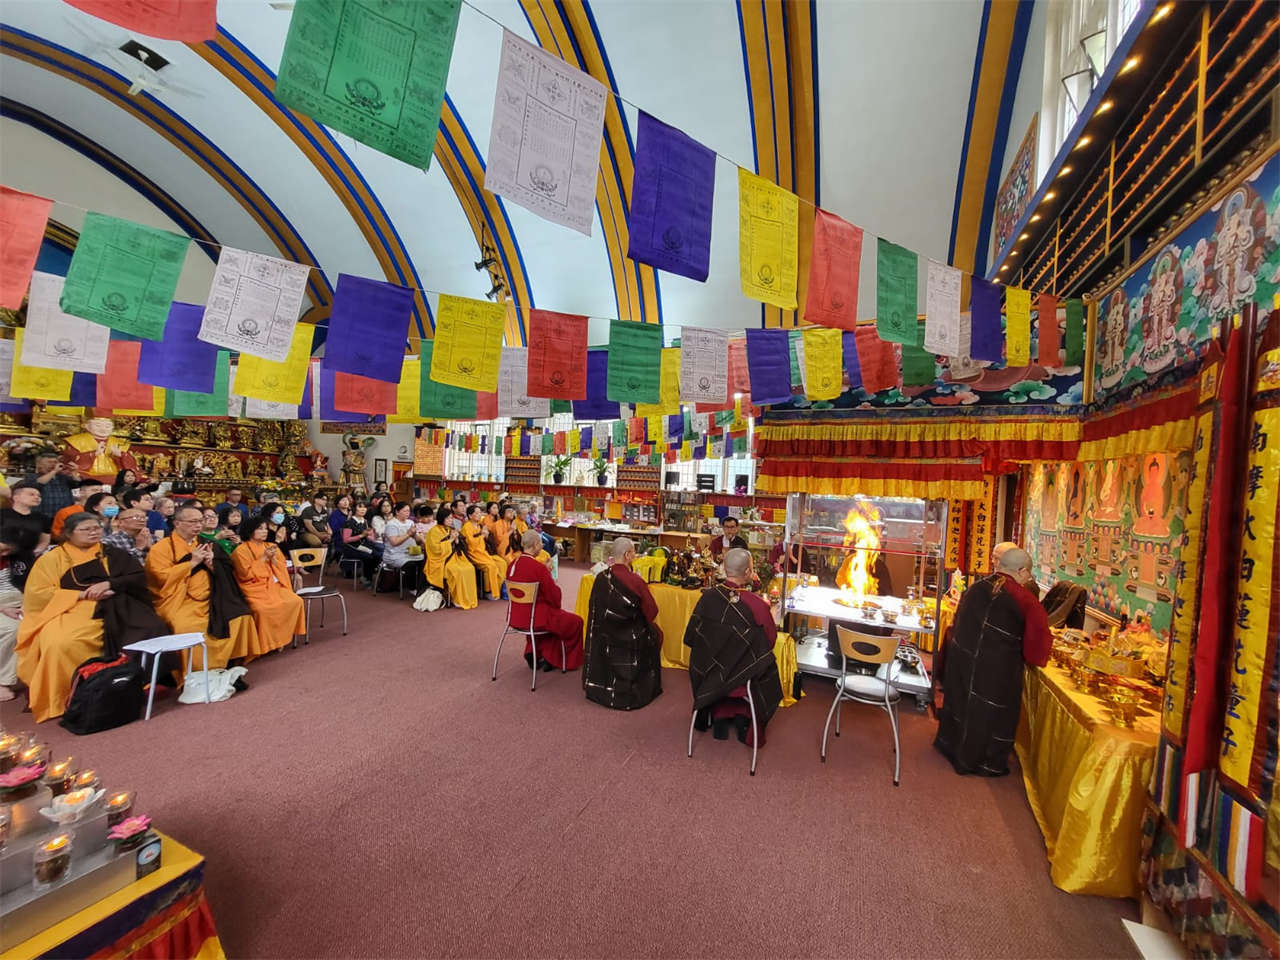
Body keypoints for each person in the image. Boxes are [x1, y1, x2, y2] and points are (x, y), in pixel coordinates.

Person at [17, 512, 169, 722]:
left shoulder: (112, 553)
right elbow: (38, 593)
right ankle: (67, 697)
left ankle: (134, 685)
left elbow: (137, 577)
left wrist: (110, 584)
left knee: (151, 627)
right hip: (70, 608)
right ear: (69, 533)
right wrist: (80, 595)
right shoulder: (52, 558)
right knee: (59, 643)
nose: (93, 533)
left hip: (115, 602)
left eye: (96, 528)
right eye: (86, 529)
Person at [934, 546, 1052, 776]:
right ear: (1021, 571)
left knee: (963, 704)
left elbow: (957, 626)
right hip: (997, 671)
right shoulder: (1027, 601)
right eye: (1028, 573)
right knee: (988, 716)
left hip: (964, 663)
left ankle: (951, 747)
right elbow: (1037, 654)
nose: (1028, 578)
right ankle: (982, 762)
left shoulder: (975, 588)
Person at [683, 548, 783, 746]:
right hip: (742, 675)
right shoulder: (757, 605)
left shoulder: (708, 597)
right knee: (768, 670)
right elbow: (769, 642)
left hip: (708, 670)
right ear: (748, 572)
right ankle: (744, 717)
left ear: (724, 568)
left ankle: (718, 712)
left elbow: (693, 636)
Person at [146, 505, 260, 673]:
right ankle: (195, 671)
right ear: (177, 523)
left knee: (241, 617)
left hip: (213, 596)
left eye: (200, 521)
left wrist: (213, 564)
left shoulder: (208, 543)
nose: (198, 525)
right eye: (193, 522)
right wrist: (192, 563)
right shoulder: (162, 548)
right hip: (180, 600)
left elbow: (227, 569)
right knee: (185, 627)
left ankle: (230, 662)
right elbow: (159, 578)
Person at [582, 538, 663, 710]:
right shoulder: (636, 581)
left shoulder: (601, 578)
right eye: (633, 552)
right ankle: (639, 680)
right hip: (629, 637)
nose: (635, 555)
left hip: (604, 635)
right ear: (627, 555)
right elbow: (652, 612)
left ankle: (605, 678)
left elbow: (594, 609)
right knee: (656, 633)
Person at [507, 529, 583, 671]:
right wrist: (548, 573)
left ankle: (535, 652)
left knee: (552, 620)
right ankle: (561, 660)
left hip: (515, 616)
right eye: (541, 543)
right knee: (575, 622)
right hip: (535, 617)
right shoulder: (539, 568)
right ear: (535, 544)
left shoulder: (512, 565)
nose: (542, 546)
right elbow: (554, 597)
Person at [231, 516, 305, 654]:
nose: (264, 531)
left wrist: (273, 559)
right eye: (260, 529)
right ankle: (265, 644)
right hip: (253, 588)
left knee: (295, 601)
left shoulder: (270, 546)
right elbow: (246, 575)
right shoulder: (240, 551)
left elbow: (282, 567)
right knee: (262, 610)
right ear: (250, 531)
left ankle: (281, 638)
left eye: (265, 529)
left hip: (273, 585)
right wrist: (264, 558)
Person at [422, 504, 477, 610]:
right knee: (458, 571)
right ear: (441, 518)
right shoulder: (434, 531)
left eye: (451, 518)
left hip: (454, 557)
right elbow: (436, 549)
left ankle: (468, 598)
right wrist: (451, 540)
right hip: (441, 560)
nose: (450, 520)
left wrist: (456, 540)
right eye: (448, 518)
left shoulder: (450, 529)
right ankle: (456, 599)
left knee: (470, 568)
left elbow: (460, 546)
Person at [0, 481, 51, 589]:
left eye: (39, 496)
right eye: (31, 494)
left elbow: (45, 539)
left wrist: (36, 552)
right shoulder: (2, 514)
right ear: (16, 497)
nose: (37, 497)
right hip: (3, 558)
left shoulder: (43, 518)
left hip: (27, 558)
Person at [0, 533, 26, 701]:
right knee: (13, 628)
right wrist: (3, 609)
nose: (5, 553)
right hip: (2, 604)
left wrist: (28, 604)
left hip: (23, 600)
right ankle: (3, 681)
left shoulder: (21, 558)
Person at [379, 502, 424, 593]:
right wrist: (408, 534)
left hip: (411, 552)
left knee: (425, 562)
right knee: (411, 565)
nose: (407, 513)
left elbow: (417, 540)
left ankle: (421, 586)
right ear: (397, 512)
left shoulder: (410, 522)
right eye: (405, 511)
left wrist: (417, 536)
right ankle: (412, 588)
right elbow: (394, 542)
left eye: (408, 511)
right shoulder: (392, 524)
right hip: (395, 554)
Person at [462, 504, 505, 599]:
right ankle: (488, 591)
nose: (479, 515)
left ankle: (499, 589)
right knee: (490, 566)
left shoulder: (479, 526)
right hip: (473, 553)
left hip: (483, 552)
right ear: (470, 516)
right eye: (476, 513)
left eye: (480, 513)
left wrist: (485, 535)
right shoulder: (467, 527)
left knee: (501, 563)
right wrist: (482, 536)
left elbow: (485, 539)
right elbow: (471, 543)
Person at [29, 453, 80, 522]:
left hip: (64, 516)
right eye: (49, 462)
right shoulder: (32, 476)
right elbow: (38, 484)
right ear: (39, 465)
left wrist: (74, 472)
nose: (53, 464)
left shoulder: (63, 477)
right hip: (42, 516)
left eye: (55, 462)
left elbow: (78, 485)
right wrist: (54, 471)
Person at [342, 500, 381, 585]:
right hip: (352, 548)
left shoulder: (366, 522)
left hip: (365, 545)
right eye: (360, 507)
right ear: (354, 509)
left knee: (380, 553)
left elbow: (370, 537)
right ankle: (367, 577)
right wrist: (362, 535)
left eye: (365, 507)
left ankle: (369, 575)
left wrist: (373, 536)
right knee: (370, 556)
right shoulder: (349, 522)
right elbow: (346, 540)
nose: (363, 509)